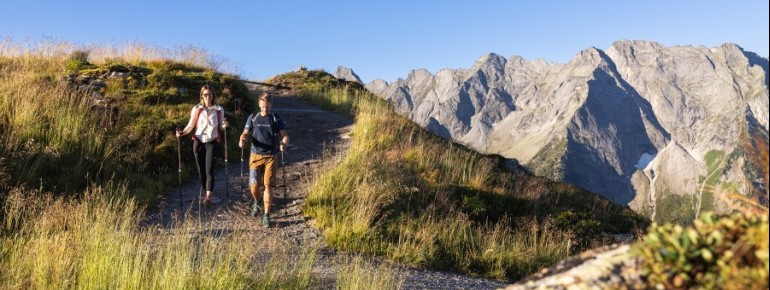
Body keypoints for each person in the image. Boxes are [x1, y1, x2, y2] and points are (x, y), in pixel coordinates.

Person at [239, 92, 289, 228]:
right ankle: (257, 201)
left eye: (267, 107)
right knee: (254, 186)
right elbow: (245, 133)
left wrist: (284, 143)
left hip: (271, 157)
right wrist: (242, 139)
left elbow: (284, 136)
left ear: (270, 105)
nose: (265, 109)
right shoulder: (253, 118)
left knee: (268, 185)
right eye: (262, 107)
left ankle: (266, 215)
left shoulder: (275, 118)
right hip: (255, 155)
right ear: (259, 105)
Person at [176, 85, 229, 206]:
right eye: (205, 94)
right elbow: (191, 125)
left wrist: (224, 126)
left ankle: (209, 196)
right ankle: (206, 192)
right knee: (201, 171)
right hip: (198, 141)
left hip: (212, 141)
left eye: (210, 94)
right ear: (201, 96)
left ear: (213, 95)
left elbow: (221, 126)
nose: (207, 97)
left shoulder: (218, 109)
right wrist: (182, 133)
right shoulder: (197, 109)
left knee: (209, 169)